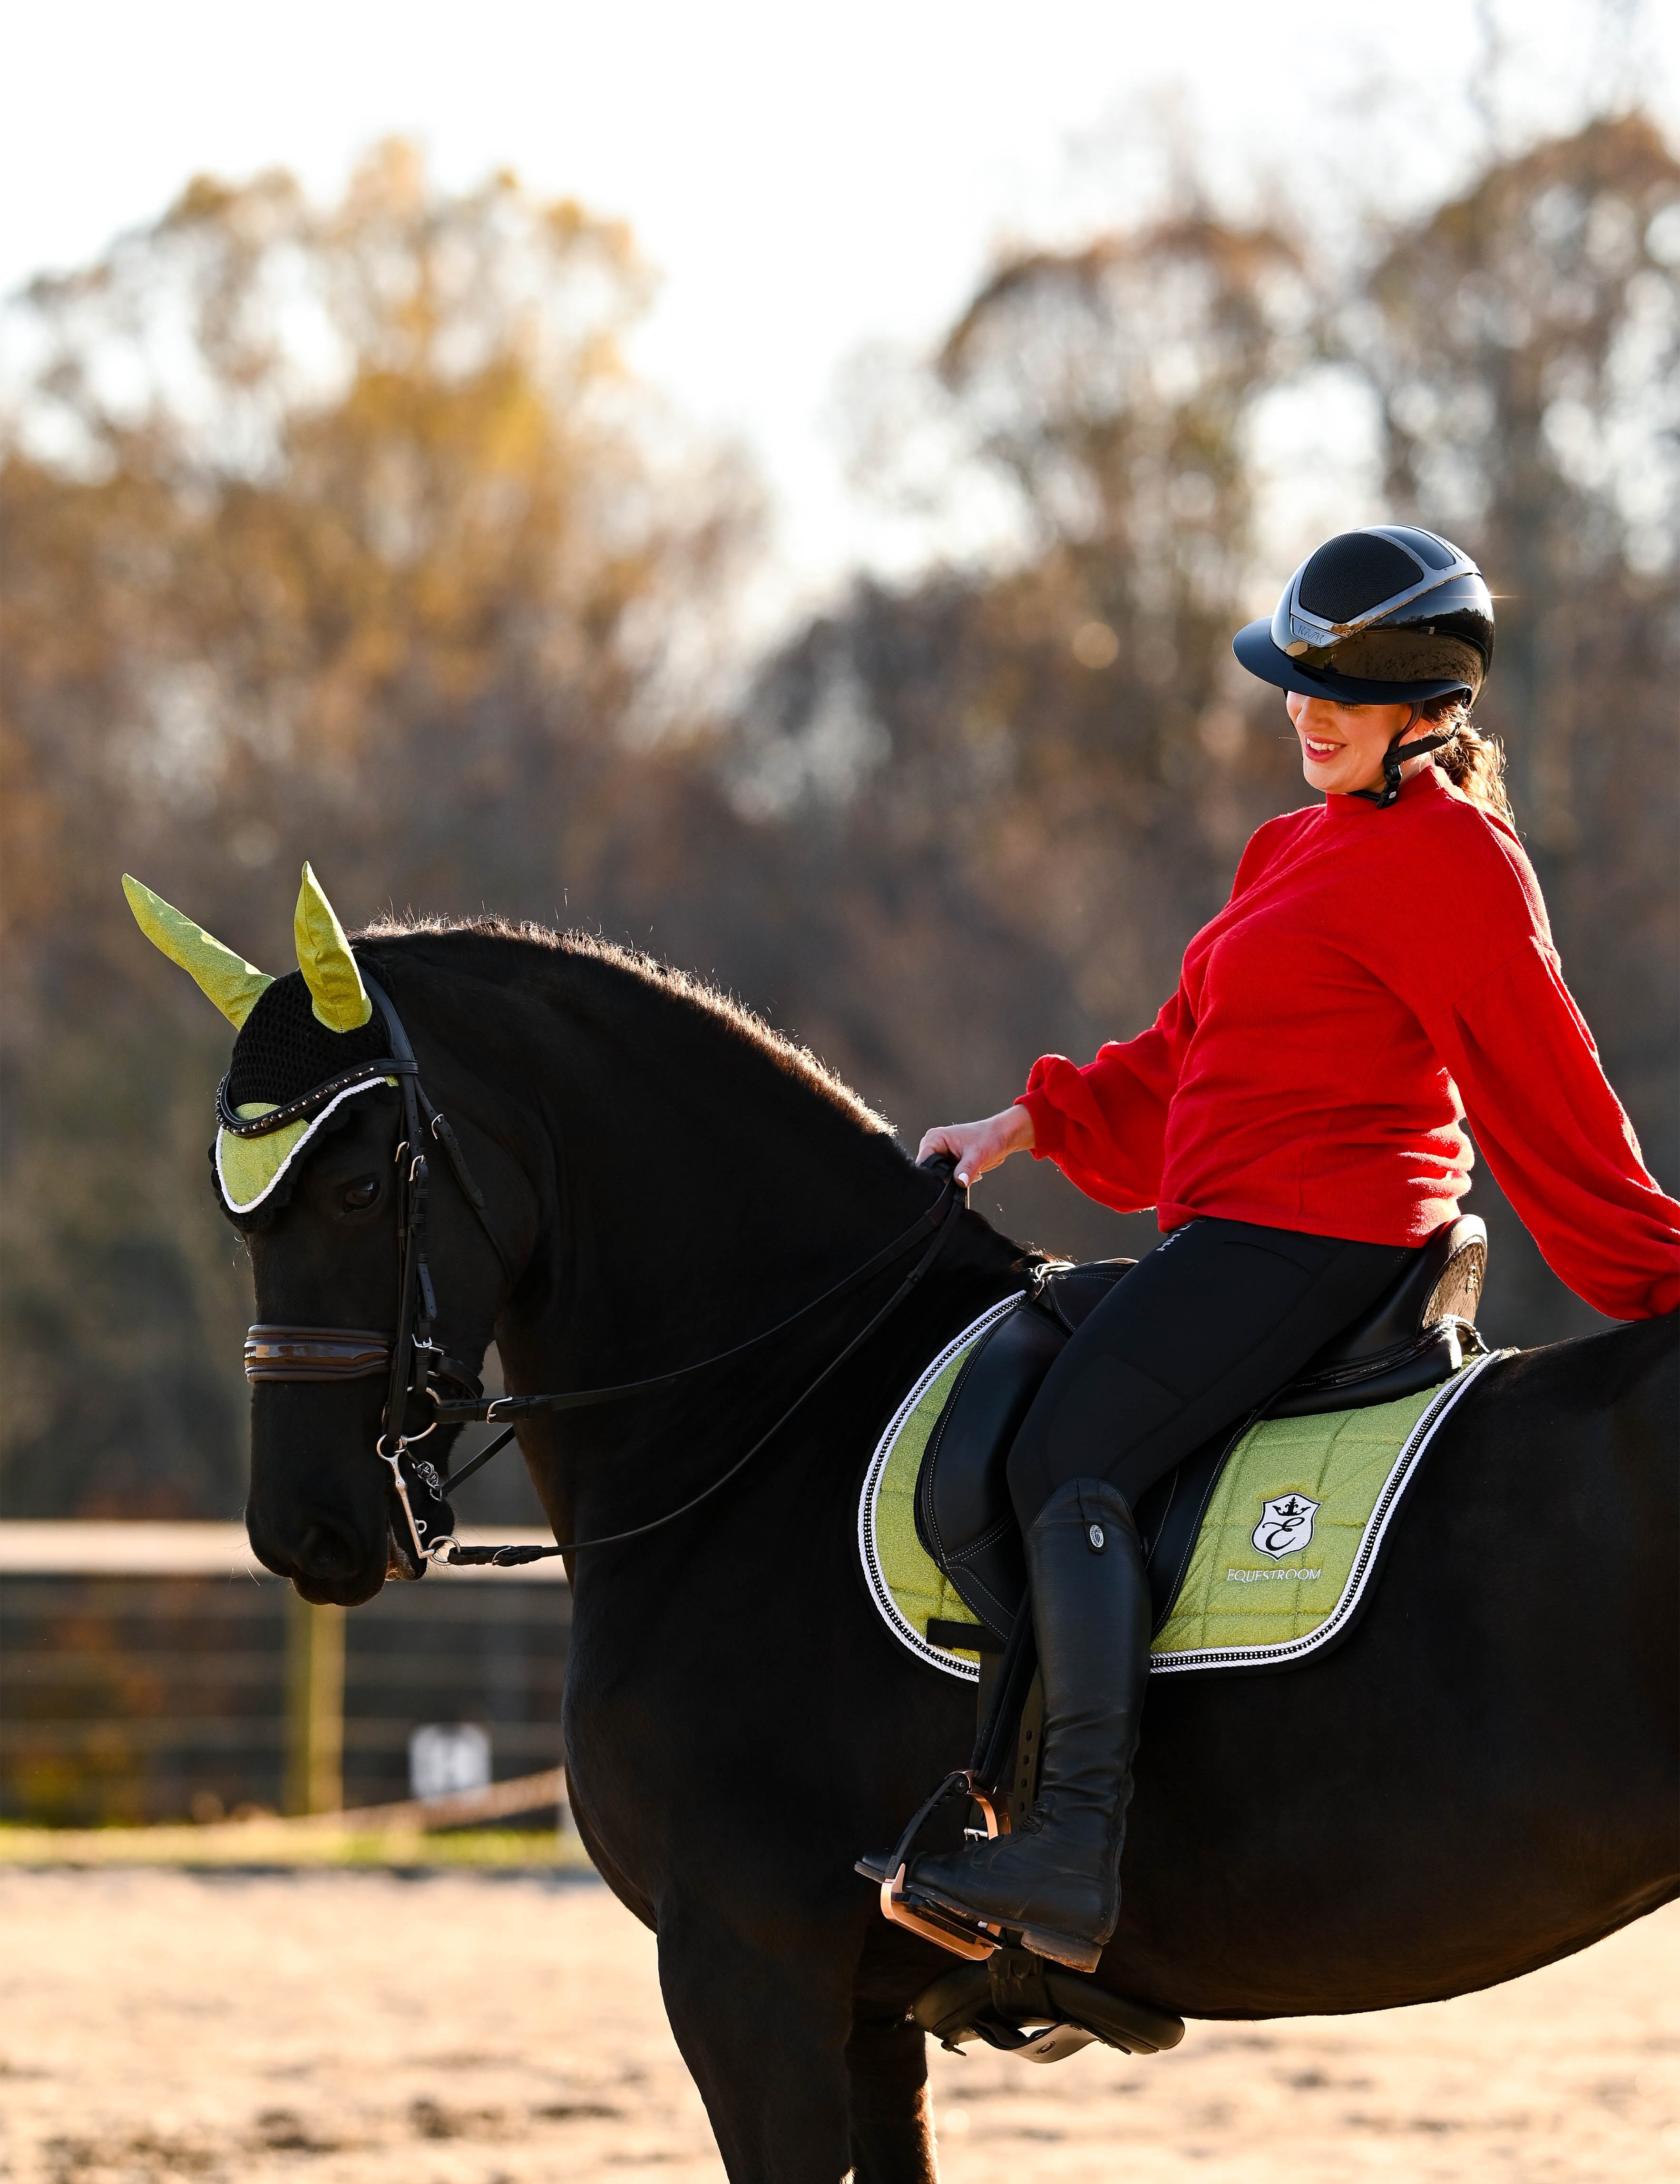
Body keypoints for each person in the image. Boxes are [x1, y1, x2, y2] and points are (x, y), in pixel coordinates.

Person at [889, 524, 1680, 1975]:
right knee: (1036, 1403)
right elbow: (1186, 1053)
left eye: (1340, 690)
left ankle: (1069, 1852)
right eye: (1292, 682)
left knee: (1067, 1456)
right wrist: (1024, 1124)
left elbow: (1547, 1094)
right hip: (1233, 1224)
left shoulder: (1456, 863)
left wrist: (1655, 1264)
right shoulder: (1291, 843)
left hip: (1321, 1236)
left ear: (1428, 711)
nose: (1303, 712)